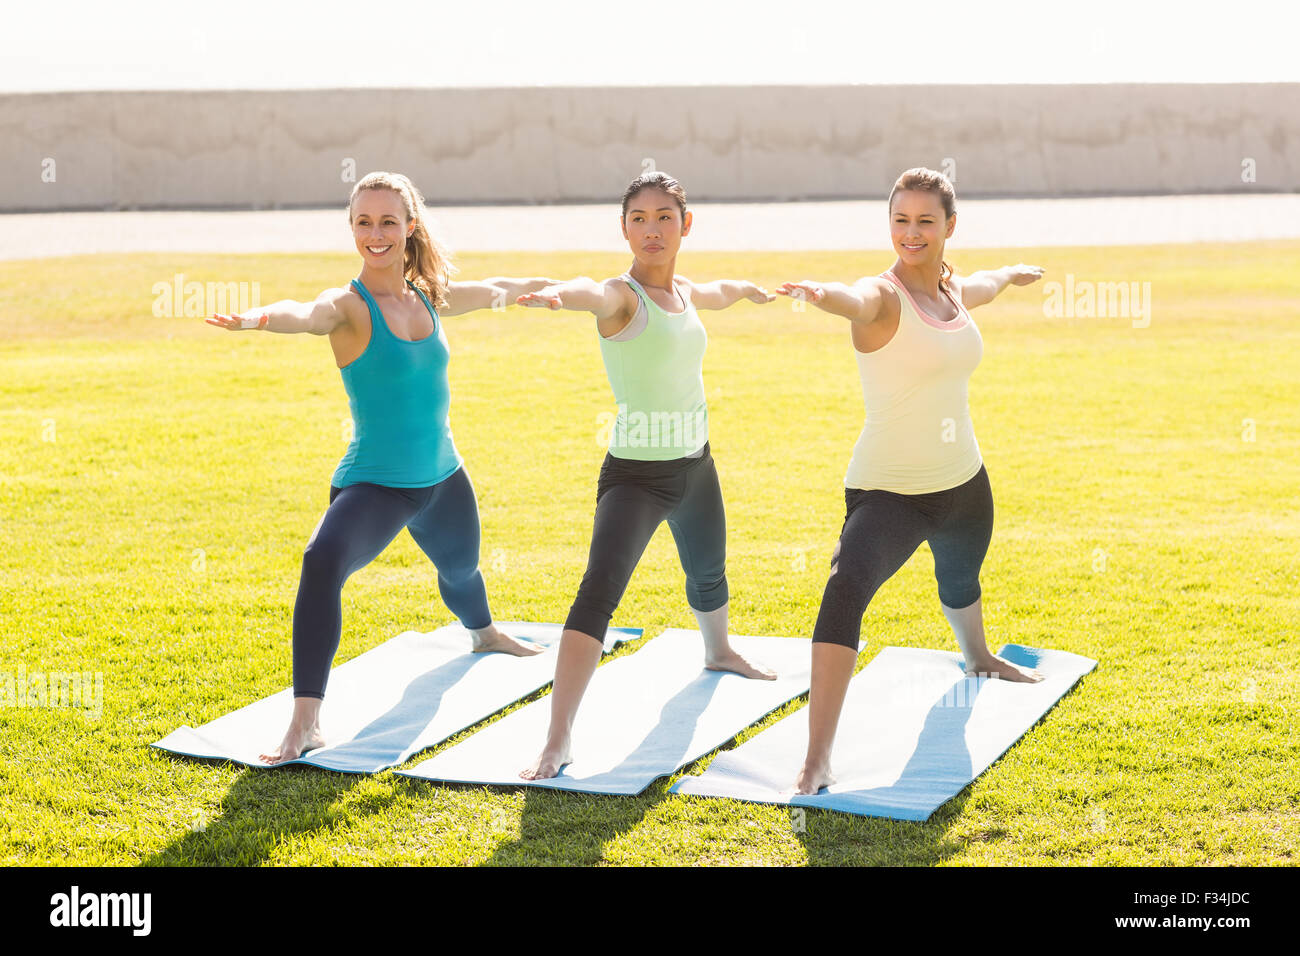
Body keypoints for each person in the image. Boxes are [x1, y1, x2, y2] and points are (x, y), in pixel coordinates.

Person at [207, 171, 552, 764]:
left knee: (463, 572)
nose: (376, 233)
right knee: (322, 562)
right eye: (363, 222)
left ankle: (485, 634)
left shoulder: (429, 295)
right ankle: (306, 722)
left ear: (410, 226)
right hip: (377, 486)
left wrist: (560, 289)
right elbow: (305, 312)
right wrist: (258, 318)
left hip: (444, 476)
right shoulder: (348, 306)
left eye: (388, 221)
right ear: (352, 229)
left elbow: (500, 287)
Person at [775, 167, 1046, 795]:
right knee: (844, 592)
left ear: (950, 226)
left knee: (961, 578)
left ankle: (977, 655)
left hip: (965, 484)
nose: (911, 232)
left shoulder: (950, 291)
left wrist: (1011, 274)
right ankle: (817, 755)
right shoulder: (882, 296)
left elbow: (981, 285)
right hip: (890, 492)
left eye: (926, 220)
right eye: (900, 220)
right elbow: (857, 299)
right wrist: (823, 294)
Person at [515, 171, 777, 781]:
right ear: (624, 228)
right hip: (635, 477)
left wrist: (750, 291)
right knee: (598, 593)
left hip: (696, 465)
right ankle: (557, 739)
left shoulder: (682, 292)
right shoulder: (622, 295)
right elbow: (592, 293)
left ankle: (717, 650)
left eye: (665, 217)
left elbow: (717, 290)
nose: (651, 229)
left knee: (709, 568)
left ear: (686, 225)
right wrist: (561, 297)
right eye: (638, 218)